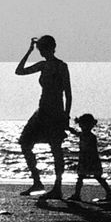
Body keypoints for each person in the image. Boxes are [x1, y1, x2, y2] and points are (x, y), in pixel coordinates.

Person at [15, 35, 72, 198]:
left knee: (56, 149)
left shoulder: (61, 66)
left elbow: (68, 93)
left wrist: (66, 116)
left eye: (43, 49)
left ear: (51, 48)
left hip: (55, 112)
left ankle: (57, 187)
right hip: (42, 110)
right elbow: (19, 71)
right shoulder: (43, 65)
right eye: (40, 49)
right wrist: (29, 51)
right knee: (25, 143)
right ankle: (37, 181)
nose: (41, 52)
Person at [67, 113, 111, 202]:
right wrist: (69, 129)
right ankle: (108, 191)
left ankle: (77, 194)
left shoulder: (88, 136)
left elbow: (89, 147)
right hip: (90, 159)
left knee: (83, 176)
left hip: (88, 159)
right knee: (91, 176)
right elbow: (76, 133)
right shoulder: (87, 135)